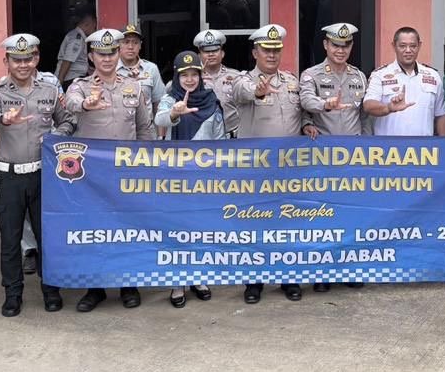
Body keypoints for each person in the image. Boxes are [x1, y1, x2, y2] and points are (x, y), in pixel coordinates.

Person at [0, 34, 75, 316]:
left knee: (48, 237)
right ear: (6, 61)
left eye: (28, 59)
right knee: (10, 240)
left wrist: (55, 137)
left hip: (43, 176)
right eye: (16, 59)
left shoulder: (48, 90)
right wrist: (3, 120)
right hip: (9, 177)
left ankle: (51, 290)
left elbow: (68, 120)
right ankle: (13, 294)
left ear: (36, 59)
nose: (23, 64)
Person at [65, 28, 156, 312]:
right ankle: (96, 287)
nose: (107, 59)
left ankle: (129, 284)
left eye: (112, 53)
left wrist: (146, 165)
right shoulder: (79, 86)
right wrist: (86, 104)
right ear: (91, 56)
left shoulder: (135, 86)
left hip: (127, 172)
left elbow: (144, 128)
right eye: (101, 54)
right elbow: (69, 105)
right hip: (92, 176)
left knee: (128, 229)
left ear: (119, 54)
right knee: (96, 230)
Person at [231, 23, 317, 303]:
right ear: (255, 52)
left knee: (289, 224)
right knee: (255, 227)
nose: (271, 55)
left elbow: (301, 112)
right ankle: (254, 282)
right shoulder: (243, 80)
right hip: (257, 170)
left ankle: (288, 278)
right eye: (266, 50)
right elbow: (243, 93)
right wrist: (258, 91)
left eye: (276, 50)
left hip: (290, 169)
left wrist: (306, 125)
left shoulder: (292, 81)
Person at [298, 22, 369, 293]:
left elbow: (364, 117)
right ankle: (321, 273)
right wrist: (323, 105)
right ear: (326, 45)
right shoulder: (311, 75)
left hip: (351, 158)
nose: (341, 50)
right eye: (336, 45)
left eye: (346, 45)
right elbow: (304, 102)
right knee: (322, 216)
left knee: (350, 215)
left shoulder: (359, 76)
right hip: (321, 157)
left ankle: (349, 269)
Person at [155, 50, 223, 308]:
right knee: (177, 229)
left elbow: (220, 139)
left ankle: (199, 278)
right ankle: (177, 283)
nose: (190, 79)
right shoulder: (169, 99)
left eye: (194, 74)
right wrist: (174, 113)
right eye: (185, 75)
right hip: (175, 178)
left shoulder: (211, 99)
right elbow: (158, 119)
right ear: (177, 75)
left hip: (204, 179)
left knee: (201, 228)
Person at [364, 27, 445, 137]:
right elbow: (368, 105)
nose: (408, 50)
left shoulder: (433, 76)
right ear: (394, 46)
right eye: (402, 46)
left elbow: (441, 114)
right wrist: (388, 108)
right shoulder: (380, 75)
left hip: (424, 150)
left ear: (419, 46)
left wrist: (443, 145)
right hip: (388, 149)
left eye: (413, 46)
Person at [194, 29, 241, 137]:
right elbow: (171, 88)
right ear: (199, 55)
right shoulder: (191, 78)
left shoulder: (236, 76)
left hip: (231, 138)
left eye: (215, 51)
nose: (211, 54)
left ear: (222, 53)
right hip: (202, 138)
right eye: (206, 51)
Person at [118, 22, 167, 109]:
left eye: (135, 42)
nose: (130, 46)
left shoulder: (151, 69)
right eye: (126, 42)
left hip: (147, 122)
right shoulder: (112, 69)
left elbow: (158, 102)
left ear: (140, 45)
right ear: (118, 45)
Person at [55, 8, 96, 85]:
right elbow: (67, 61)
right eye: (94, 27)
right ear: (87, 24)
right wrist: (59, 84)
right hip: (70, 79)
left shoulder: (78, 36)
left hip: (74, 78)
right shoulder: (76, 39)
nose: (95, 30)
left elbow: (79, 62)